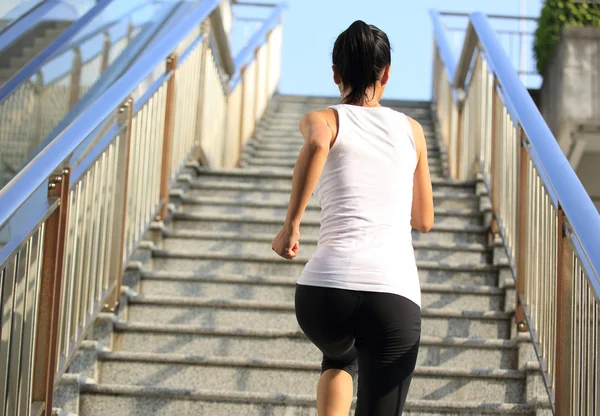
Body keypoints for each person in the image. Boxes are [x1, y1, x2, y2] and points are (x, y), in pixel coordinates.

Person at [271, 20, 434, 416]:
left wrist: (291, 225)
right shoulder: (412, 130)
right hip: (393, 296)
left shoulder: (323, 119)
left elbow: (316, 143)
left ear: (335, 74)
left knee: (339, 356)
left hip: (324, 294)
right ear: (387, 73)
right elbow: (424, 220)